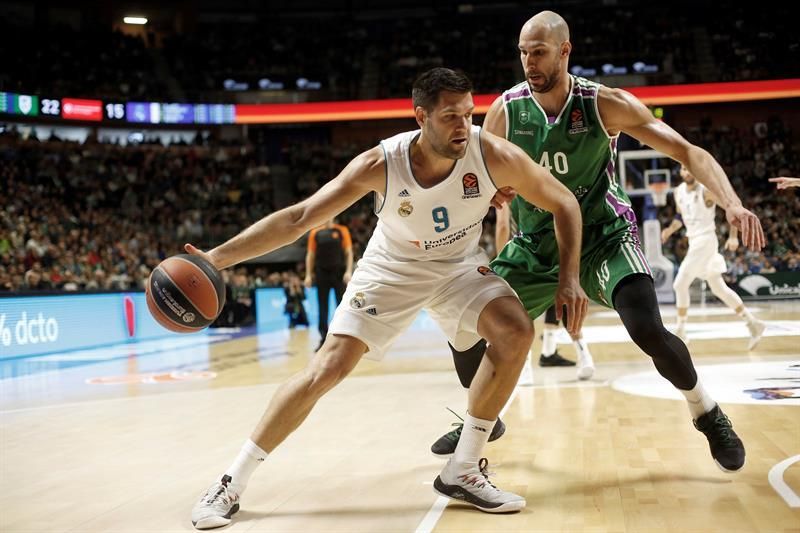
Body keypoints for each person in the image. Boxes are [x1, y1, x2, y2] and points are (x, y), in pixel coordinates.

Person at [188, 68, 588, 529]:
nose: (463, 126)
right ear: (421, 117)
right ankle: (229, 483)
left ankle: (462, 467)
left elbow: (565, 202)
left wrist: (570, 279)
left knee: (516, 331)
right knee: (328, 368)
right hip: (391, 268)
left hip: (457, 266)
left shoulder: (492, 154)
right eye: (450, 117)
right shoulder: (381, 164)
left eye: (468, 114)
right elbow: (299, 217)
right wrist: (216, 259)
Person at [430, 11, 765, 474]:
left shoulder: (603, 103)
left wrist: (731, 203)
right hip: (535, 243)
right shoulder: (506, 110)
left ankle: (707, 412)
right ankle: (485, 419)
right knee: (464, 330)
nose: (529, 62)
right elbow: (482, 182)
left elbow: (687, 151)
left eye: (540, 52)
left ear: (565, 51)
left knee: (646, 326)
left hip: (604, 237)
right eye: (523, 52)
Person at [661, 166, 766, 348]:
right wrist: (670, 229)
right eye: (683, 169)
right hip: (694, 241)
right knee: (719, 289)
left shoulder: (705, 191)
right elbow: (680, 216)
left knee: (679, 284)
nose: (687, 172)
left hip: (706, 240)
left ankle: (681, 330)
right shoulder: (678, 192)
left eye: (689, 168)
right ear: (680, 172)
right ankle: (754, 323)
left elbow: (731, 207)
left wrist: (733, 236)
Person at [497, 200, 595, 384]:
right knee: (564, 302)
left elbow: (503, 226)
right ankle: (583, 356)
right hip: (555, 250)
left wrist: (502, 262)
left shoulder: (509, 185)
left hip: (522, 255)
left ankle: (524, 367)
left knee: (520, 313)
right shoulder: (546, 183)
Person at [304, 219, 353, 350]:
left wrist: (348, 271)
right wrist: (308, 275)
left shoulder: (342, 230)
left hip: (339, 273)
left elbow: (349, 252)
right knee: (322, 307)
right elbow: (310, 254)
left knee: (342, 307)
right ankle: (323, 339)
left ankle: (343, 338)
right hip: (321, 274)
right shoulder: (315, 232)